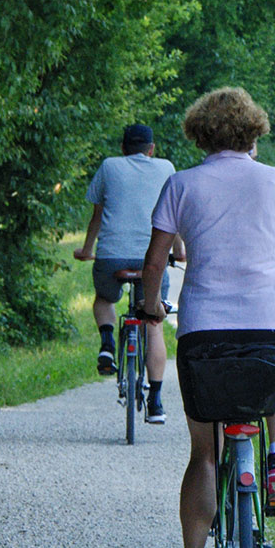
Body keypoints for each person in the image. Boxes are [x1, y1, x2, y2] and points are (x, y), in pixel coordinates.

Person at [136, 87, 275, 548]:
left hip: (204, 332)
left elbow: (155, 265)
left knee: (204, 454)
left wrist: (152, 308)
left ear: (198, 133)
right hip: (269, 319)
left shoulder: (180, 184)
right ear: (255, 130)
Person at [72, 123, 179, 423]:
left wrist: (86, 249)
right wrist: (179, 251)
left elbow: (97, 214)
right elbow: (173, 217)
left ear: (123, 148)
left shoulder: (109, 166)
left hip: (111, 255)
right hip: (152, 257)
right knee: (153, 321)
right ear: (151, 149)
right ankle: (156, 402)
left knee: (104, 298)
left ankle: (107, 344)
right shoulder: (167, 167)